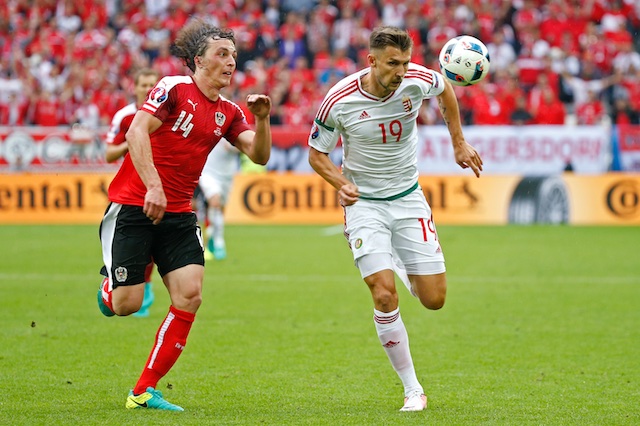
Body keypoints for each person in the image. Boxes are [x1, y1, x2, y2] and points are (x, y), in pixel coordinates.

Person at [97, 19, 272, 411]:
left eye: (233, 56)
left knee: (190, 295)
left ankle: (142, 391)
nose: (230, 62)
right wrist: (154, 186)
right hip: (133, 205)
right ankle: (109, 288)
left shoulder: (228, 111)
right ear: (198, 60)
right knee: (125, 305)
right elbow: (136, 132)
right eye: (221, 54)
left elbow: (258, 155)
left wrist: (262, 120)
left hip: (178, 215)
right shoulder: (174, 88)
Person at [307, 26, 483, 412]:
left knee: (434, 300)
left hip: (408, 199)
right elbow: (317, 155)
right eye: (392, 63)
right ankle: (412, 389)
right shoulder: (338, 100)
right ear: (371, 61)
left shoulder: (419, 79)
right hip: (364, 205)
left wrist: (458, 141)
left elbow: (446, 91)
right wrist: (341, 183)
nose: (401, 71)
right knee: (383, 292)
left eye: (405, 62)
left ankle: (399, 259)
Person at [101, 67, 160, 318]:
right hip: (131, 190)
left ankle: (145, 288)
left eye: (152, 85)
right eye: (143, 84)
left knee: (156, 244)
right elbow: (108, 153)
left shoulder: (167, 114)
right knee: (132, 244)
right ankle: (115, 285)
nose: (147, 89)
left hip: (160, 188)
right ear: (134, 88)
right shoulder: (125, 116)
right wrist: (135, 138)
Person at [198, 138, 241, 260]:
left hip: (227, 175)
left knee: (220, 209)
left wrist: (234, 147)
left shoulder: (233, 127)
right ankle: (218, 243)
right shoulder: (210, 125)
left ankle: (213, 239)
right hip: (208, 172)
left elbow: (245, 147)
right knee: (214, 200)